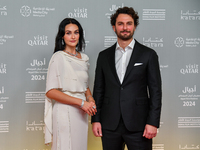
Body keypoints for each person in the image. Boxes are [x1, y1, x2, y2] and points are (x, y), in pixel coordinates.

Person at [92, 7, 162, 150]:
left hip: (139, 125)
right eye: (120, 24)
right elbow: (98, 90)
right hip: (110, 124)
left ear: (134, 26)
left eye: (129, 23)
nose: (125, 28)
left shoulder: (148, 55)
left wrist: (153, 122)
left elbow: (155, 92)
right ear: (114, 27)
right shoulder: (103, 56)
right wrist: (96, 120)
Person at [44, 18, 97, 150]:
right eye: (68, 33)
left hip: (82, 113)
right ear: (62, 36)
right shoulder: (58, 57)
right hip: (65, 111)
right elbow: (51, 91)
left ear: (80, 35)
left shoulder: (84, 58)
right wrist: (81, 103)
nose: (73, 36)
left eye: (76, 32)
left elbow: (84, 86)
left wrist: (90, 99)